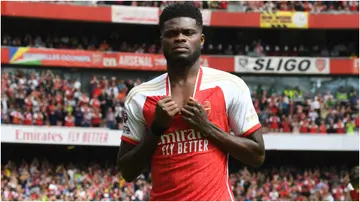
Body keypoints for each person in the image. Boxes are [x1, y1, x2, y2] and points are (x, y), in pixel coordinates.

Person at [117, 2, 265, 201]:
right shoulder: (140, 96)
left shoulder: (230, 85)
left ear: (201, 39)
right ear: (161, 40)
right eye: (171, 34)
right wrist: (156, 129)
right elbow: (127, 171)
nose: (180, 38)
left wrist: (206, 127)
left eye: (188, 32)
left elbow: (257, 156)